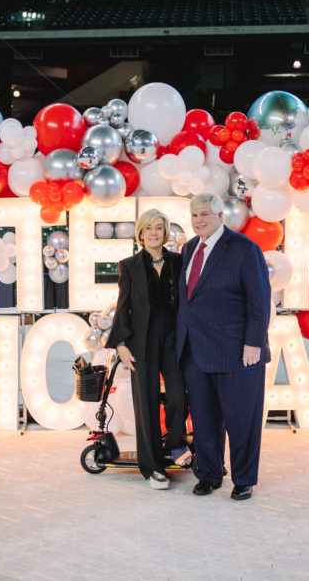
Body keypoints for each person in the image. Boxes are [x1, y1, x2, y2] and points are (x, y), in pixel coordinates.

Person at [177, 193, 271, 501]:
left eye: (204, 214)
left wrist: (254, 343)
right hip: (194, 351)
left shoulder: (245, 249)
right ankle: (210, 474)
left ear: (220, 215)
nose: (198, 220)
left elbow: (259, 300)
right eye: (194, 215)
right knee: (204, 419)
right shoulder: (189, 248)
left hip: (236, 352)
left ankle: (244, 479)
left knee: (241, 419)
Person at [106, 209, 190, 490]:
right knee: (147, 403)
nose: (154, 233)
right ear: (140, 233)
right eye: (148, 228)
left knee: (178, 395)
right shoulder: (129, 266)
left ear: (165, 233)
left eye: (159, 228)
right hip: (141, 341)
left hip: (174, 339)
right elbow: (123, 306)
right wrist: (120, 344)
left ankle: (176, 443)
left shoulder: (180, 262)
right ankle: (153, 467)